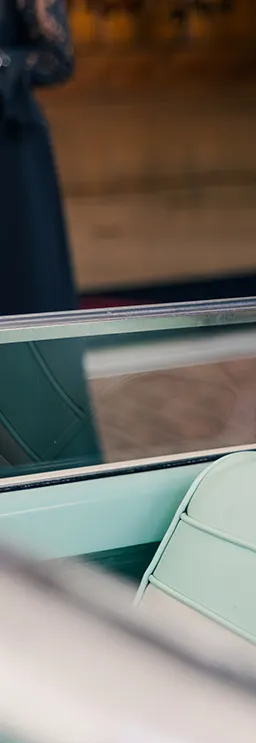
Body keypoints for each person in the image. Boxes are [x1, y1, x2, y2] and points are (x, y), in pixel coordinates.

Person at [0, 0, 101, 474]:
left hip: (9, 157)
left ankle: (43, 465)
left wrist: (3, 62)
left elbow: (58, 57)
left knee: (25, 299)